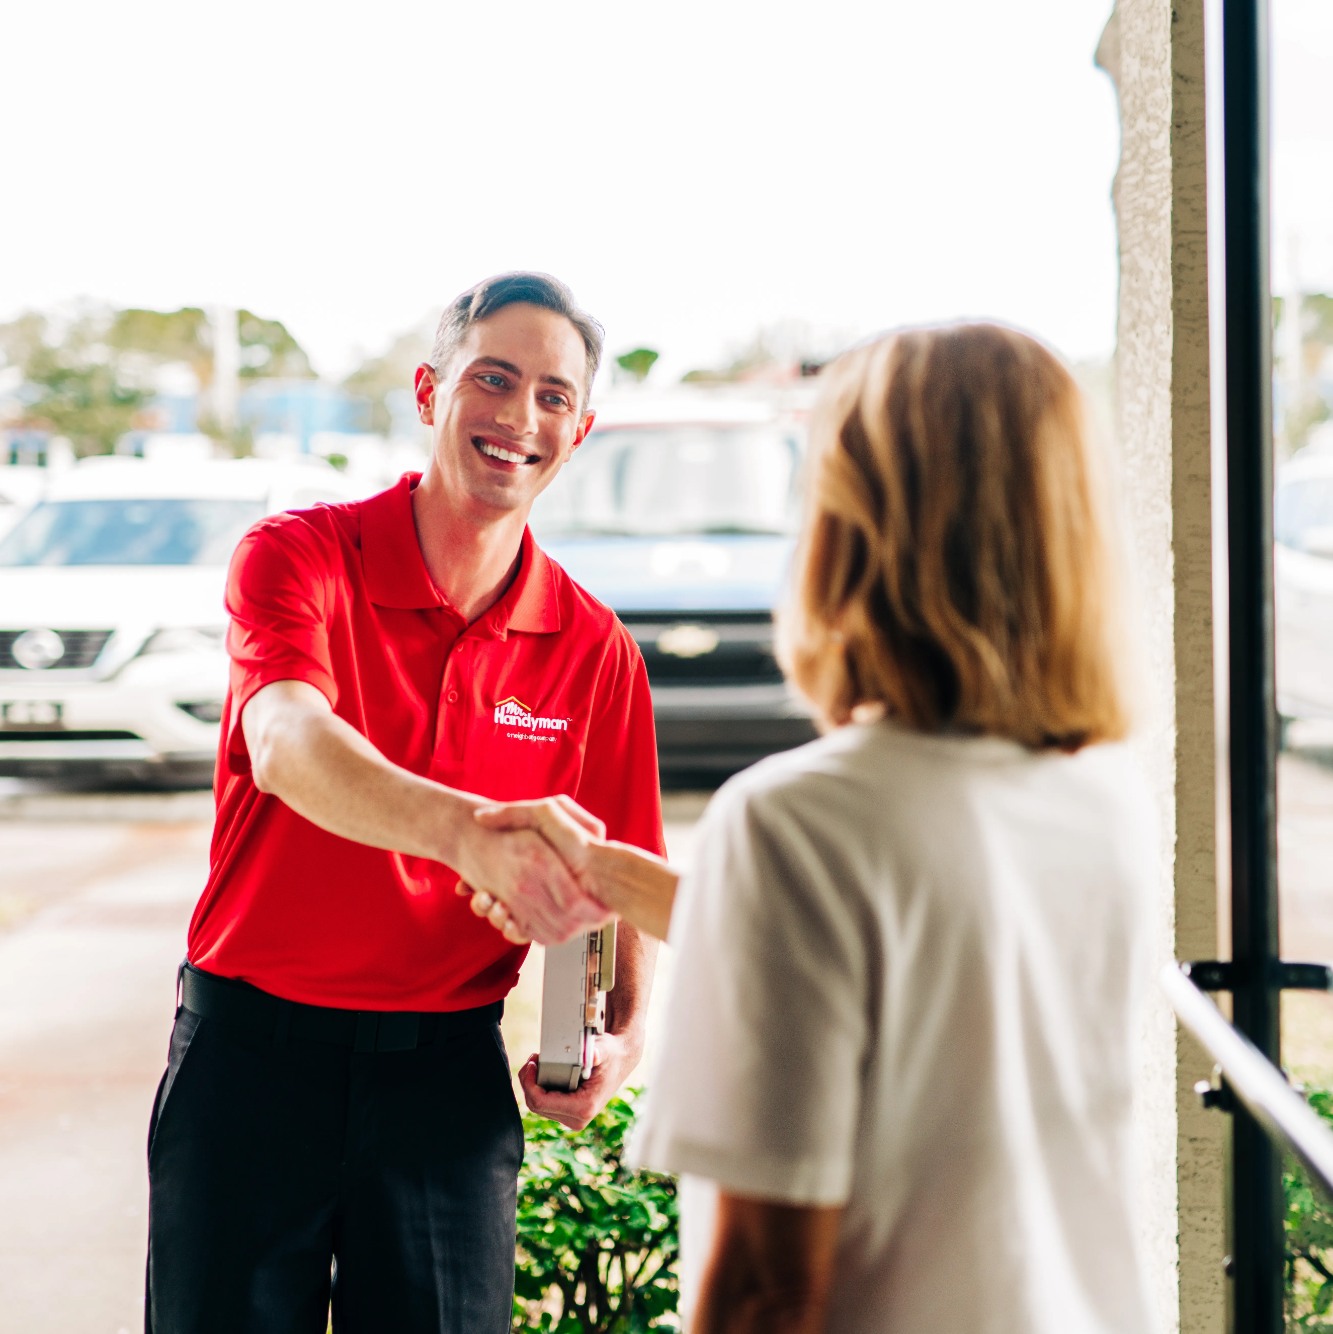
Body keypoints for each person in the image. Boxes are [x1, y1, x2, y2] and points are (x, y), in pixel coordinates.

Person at [473, 323, 1156, 1332]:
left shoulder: (797, 821)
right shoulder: (1102, 802)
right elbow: (916, 941)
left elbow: (765, 1286)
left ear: (852, 521)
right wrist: (616, 877)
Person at [145, 272, 664, 1334]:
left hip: (443, 1087)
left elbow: (620, 872)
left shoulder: (593, 646)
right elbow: (287, 741)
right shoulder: (300, 557)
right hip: (252, 1064)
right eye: (493, 379)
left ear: (581, 427)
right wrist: (472, 834)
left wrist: (621, 1036)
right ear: (431, 391)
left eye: (553, 395)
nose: (519, 418)